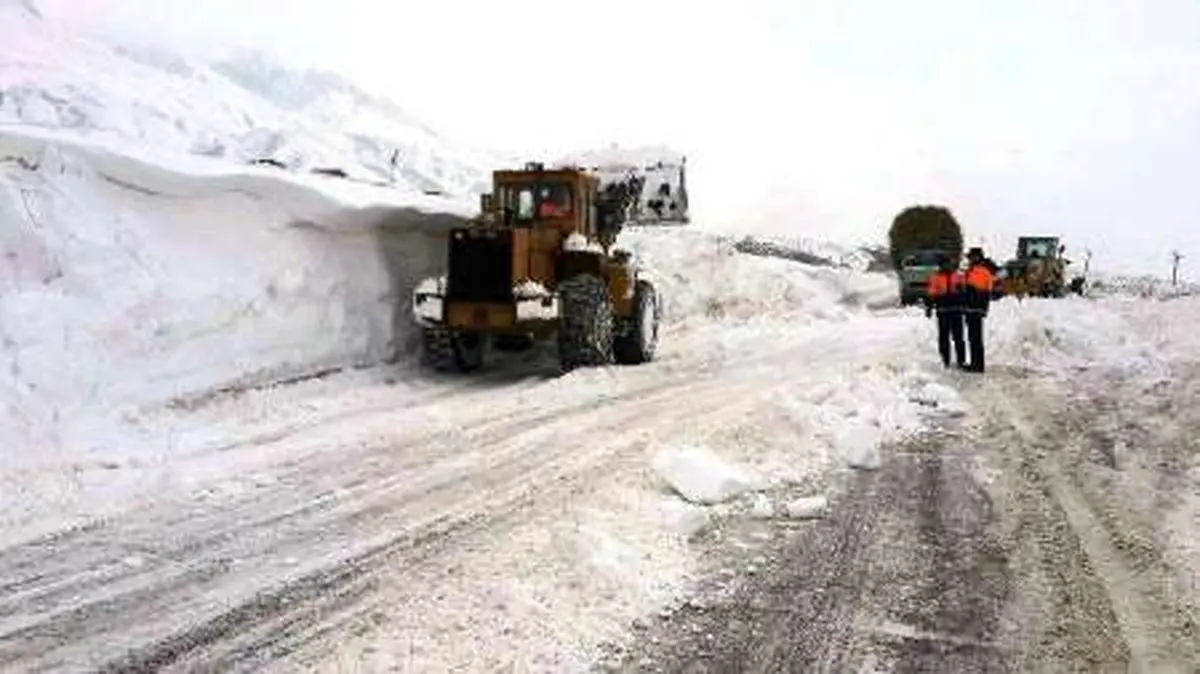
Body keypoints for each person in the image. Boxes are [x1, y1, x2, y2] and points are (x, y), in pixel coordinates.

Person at [924, 254, 966, 369]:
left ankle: (961, 361)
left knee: (958, 337)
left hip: (957, 311)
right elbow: (930, 294)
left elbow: (964, 293)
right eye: (945, 263)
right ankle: (945, 361)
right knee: (943, 337)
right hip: (943, 311)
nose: (948, 265)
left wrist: (964, 303)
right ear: (941, 265)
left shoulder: (958, 277)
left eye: (949, 263)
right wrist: (929, 308)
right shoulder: (935, 278)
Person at [963, 247, 996, 372]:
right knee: (975, 338)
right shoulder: (979, 271)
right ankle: (976, 363)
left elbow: (975, 290)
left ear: (977, 257)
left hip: (974, 308)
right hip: (975, 308)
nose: (969, 259)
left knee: (975, 338)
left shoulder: (979, 272)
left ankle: (977, 365)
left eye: (971, 257)